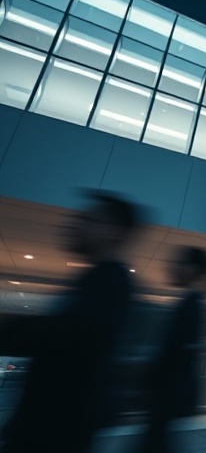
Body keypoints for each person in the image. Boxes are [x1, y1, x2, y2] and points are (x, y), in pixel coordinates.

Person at [0, 191, 142, 453]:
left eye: (90, 219)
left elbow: (69, 335)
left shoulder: (111, 281)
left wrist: (8, 326)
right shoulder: (96, 279)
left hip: (54, 429)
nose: (76, 224)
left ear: (114, 231)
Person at [138, 246, 206, 453]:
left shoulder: (193, 304)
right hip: (170, 394)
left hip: (170, 393)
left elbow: (178, 351)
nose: (174, 268)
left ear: (194, 269)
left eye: (180, 264)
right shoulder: (192, 302)